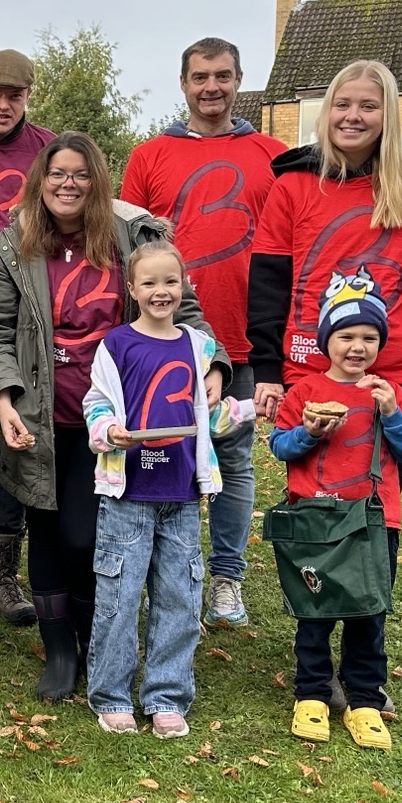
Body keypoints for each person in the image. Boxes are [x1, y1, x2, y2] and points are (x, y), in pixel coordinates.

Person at [0, 133, 222, 702]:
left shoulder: (130, 238)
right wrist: (5, 402)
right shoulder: (11, 247)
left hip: (114, 423)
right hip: (37, 418)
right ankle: (60, 650)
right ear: (40, 181)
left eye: (80, 174)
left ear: (97, 182)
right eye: (57, 173)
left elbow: (182, 307)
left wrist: (215, 366)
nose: (68, 184)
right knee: (45, 533)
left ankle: (94, 639)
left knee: (87, 539)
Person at [118, 39, 285, 630]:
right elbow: (128, 248)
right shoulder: (149, 157)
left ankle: (227, 578)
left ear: (239, 80)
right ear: (182, 83)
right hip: (165, 337)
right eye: (199, 77)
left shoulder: (273, 154)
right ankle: (158, 569)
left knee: (234, 457)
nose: (210, 87)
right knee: (158, 451)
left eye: (222, 76)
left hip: (242, 336)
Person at [82, 243, 245, 737]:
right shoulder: (117, 344)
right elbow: (96, 401)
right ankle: (111, 694)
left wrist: (252, 407)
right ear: (132, 290)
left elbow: (209, 416)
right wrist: (108, 429)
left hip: (180, 494)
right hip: (128, 494)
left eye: (170, 282)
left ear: (183, 286)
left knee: (179, 595)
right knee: (120, 595)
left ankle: (166, 694)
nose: (161, 292)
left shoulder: (198, 346)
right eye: (149, 283)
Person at [247, 59, 402, 435]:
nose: (352, 116)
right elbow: (268, 283)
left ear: (387, 115)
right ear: (327, 111)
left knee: (379, 491)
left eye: (368, 106)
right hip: (310, 367)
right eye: (342, 105)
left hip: (393, 373)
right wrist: (266, 368)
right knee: (313, 489)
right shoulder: (292, 185)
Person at [268, 275, 402, 751]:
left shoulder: (388, 392)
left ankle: (364, 699)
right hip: (315, 518)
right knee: (313, 611)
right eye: (346, 337)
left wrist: (392, 414)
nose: (357, 347)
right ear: (326, 342)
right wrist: (310, 431)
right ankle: (312, 693)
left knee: (368, 611)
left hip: (375, 520)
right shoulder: (304, 390)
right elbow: (280, 446)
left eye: (368, 338)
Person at [0, 48, 53, 627]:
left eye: (14, 95)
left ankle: (2, 569)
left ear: (26, 97)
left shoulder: (46, 148)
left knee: (16, 437)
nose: (3, 104)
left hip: (21, 311)